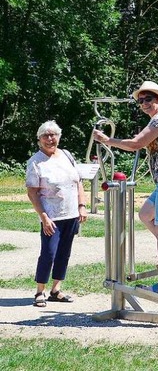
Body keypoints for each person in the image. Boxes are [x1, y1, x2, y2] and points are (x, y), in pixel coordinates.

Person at [93, 81, 158, 297]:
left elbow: (136, 143)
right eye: (140, 100)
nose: (144, 103)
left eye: (148, 99)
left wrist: (107, 140)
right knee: (146, 214)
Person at [26, 121, 88, 307]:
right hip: (51, 216)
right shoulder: (35, 162)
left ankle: (56, 290)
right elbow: (32, 193)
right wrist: (44, 217)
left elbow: (78, 182)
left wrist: (82, 205)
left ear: (59, 137)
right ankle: (40, 291)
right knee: (49, 253)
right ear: (39, 139)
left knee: (64, 253)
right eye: (45, 135)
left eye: (53, 135)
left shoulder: (67, 155)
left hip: (71, 214)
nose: (50, 139)